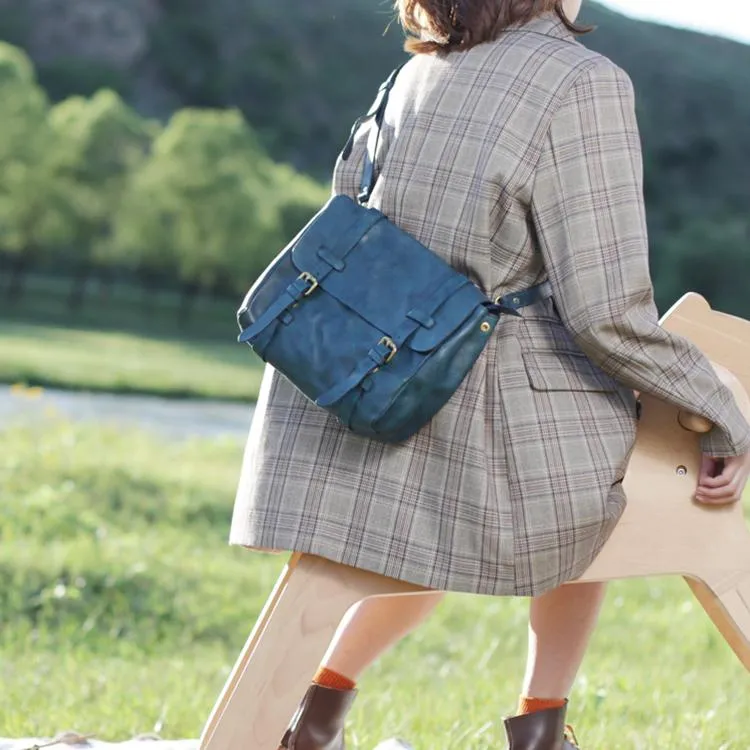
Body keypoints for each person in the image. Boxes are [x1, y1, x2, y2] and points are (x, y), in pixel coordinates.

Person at [229, 1, 750, 748]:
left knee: (454, 532)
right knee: (605, 476)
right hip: (479, 410)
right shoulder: (581, 82)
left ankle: (318, 716)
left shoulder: (416, 71)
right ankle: (540, 730)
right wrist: (723, 411)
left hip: (365, 385)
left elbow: (350, 215)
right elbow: (607, 310)